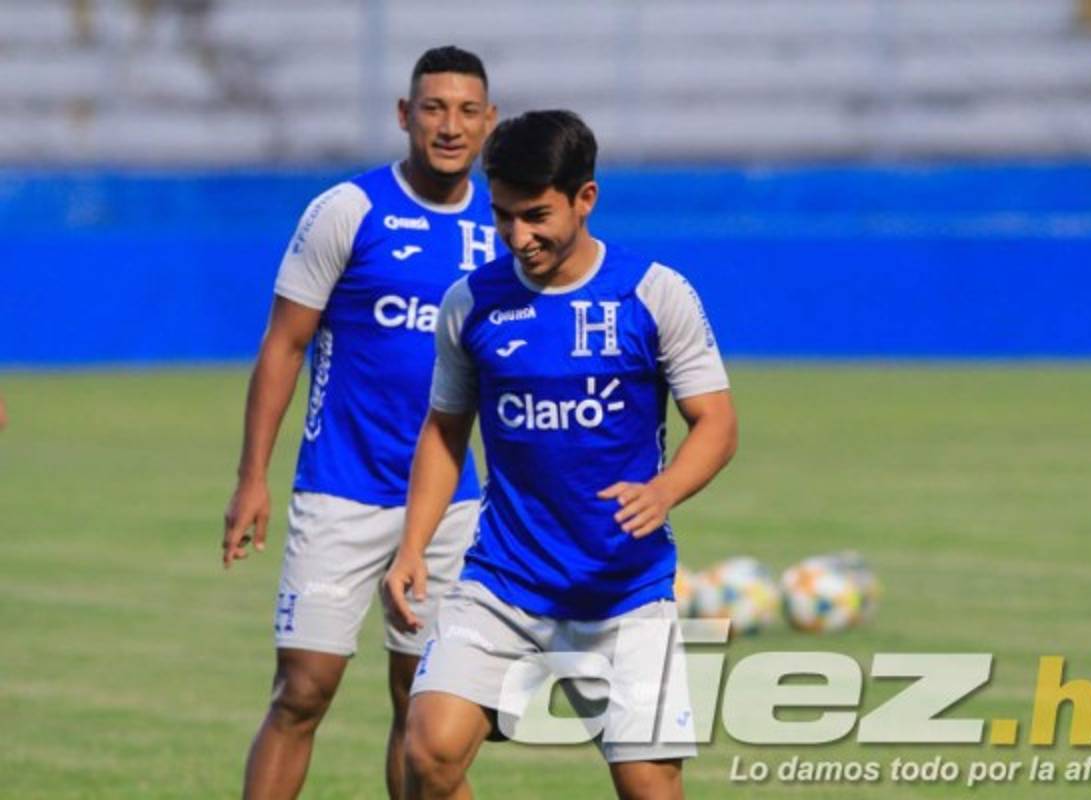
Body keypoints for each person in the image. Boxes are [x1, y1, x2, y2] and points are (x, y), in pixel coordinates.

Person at [385, 110, 738, 799]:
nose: (519, 236)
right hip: (503, 583)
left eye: (537, 215)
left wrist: (662, 492)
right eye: (504, 216)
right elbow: (443, 431)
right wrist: (412, 546)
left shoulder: (654, 294)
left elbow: (717, 424)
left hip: (623, 591)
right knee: (428, 752)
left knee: (649, 787)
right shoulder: (471, 303)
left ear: (586, 198)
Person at [221, 46, 500, 800]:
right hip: (339, 488)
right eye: (434, 108)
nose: (450, 125)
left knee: (421, 709)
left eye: (467, 110)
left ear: (489, 122)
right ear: (405, 116)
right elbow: (284, 344)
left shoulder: (502, 228)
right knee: (302, 691)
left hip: (445, 503)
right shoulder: (348, 210)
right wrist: (253, 478)